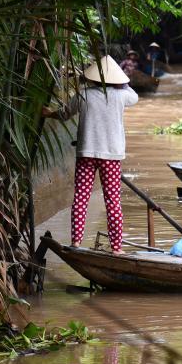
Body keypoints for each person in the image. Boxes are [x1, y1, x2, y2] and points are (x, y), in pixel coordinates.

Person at [42, 55, 139, 255]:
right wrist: (123, 82)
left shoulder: (83, 95)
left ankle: (76, 242)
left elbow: (64, 113)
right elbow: (134, 95)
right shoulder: (122, 96)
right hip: (111, 156)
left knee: (81, 197)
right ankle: (116, 248)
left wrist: (49, 113)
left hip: (86, 153)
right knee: (113, 201)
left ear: (92, 78)